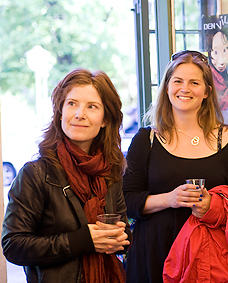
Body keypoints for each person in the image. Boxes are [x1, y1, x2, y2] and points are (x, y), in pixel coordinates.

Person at [122, 50, 228, 283]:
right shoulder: (145, 140)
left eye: (194, 82)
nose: (184, 89)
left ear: (207, 91)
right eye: (177, 81)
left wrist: (213, 205)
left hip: (211, 262)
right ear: (167, 87)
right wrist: (170, 199)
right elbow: (127, 201)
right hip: (153, 255)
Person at [2, 68, 132, 283]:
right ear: (60, 112)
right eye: (72, 104)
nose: (79, 114)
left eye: (92, 107)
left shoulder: (110, 171)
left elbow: (124, 231)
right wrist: (83, 241)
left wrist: (121, 237)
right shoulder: (35, 173)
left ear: (105, 120)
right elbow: (14, 245)